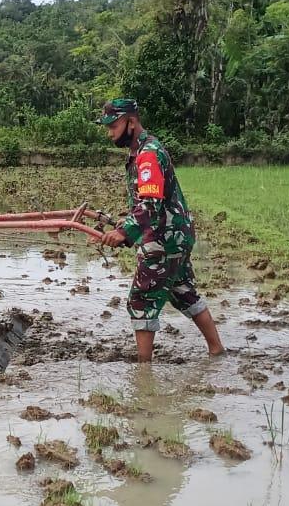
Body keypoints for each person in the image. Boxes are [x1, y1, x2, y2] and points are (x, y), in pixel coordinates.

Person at [93, 98, 225, 362]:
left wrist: (126, 232)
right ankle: (217, 350)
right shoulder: (140, 151)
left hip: (163, 239)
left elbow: (150, 203)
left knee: (141, 299)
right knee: (184, 292)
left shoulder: (148, 155)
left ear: (131, 122)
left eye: (114, 126)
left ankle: (144, 370)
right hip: (174, 235)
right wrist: (126, 224)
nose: (110, 133)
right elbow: (147, 202)